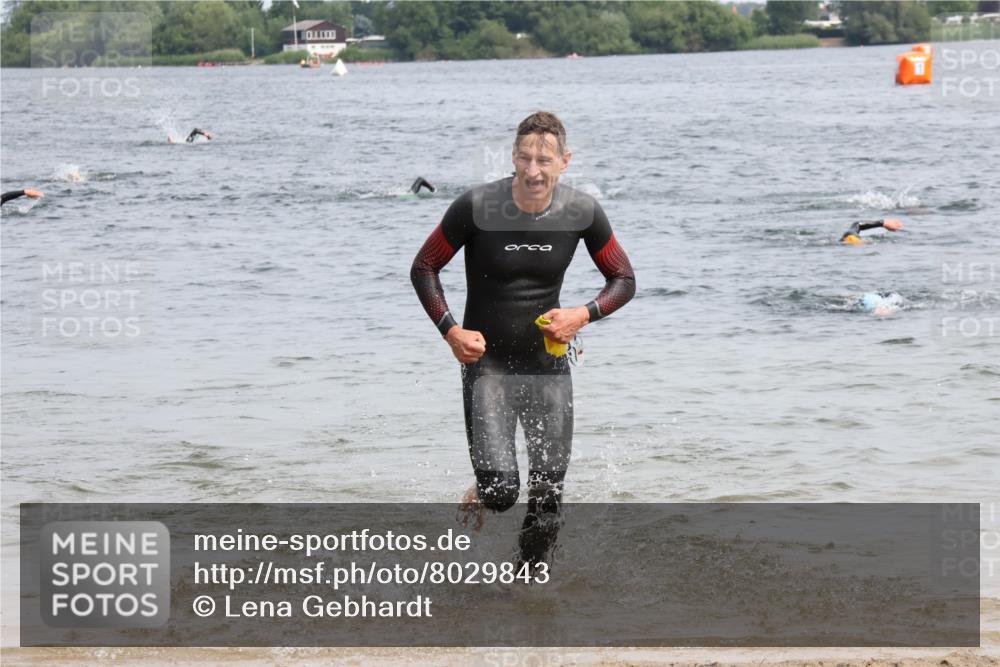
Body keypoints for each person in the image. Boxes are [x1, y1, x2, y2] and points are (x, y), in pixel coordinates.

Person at [410, 112, 635, 567]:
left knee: (549, 492)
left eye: (544, 159)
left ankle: (528, 597)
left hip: (547, 365)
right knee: (500, 492)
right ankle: (483, 488)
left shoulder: (581, 212)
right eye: (525, 158)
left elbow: (623, 279)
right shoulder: (476, 207)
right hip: (486, 364)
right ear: (513, 157)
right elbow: (424, 267)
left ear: (564, 162)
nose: (533, 170)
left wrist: (582, 315)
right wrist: (450, 330)